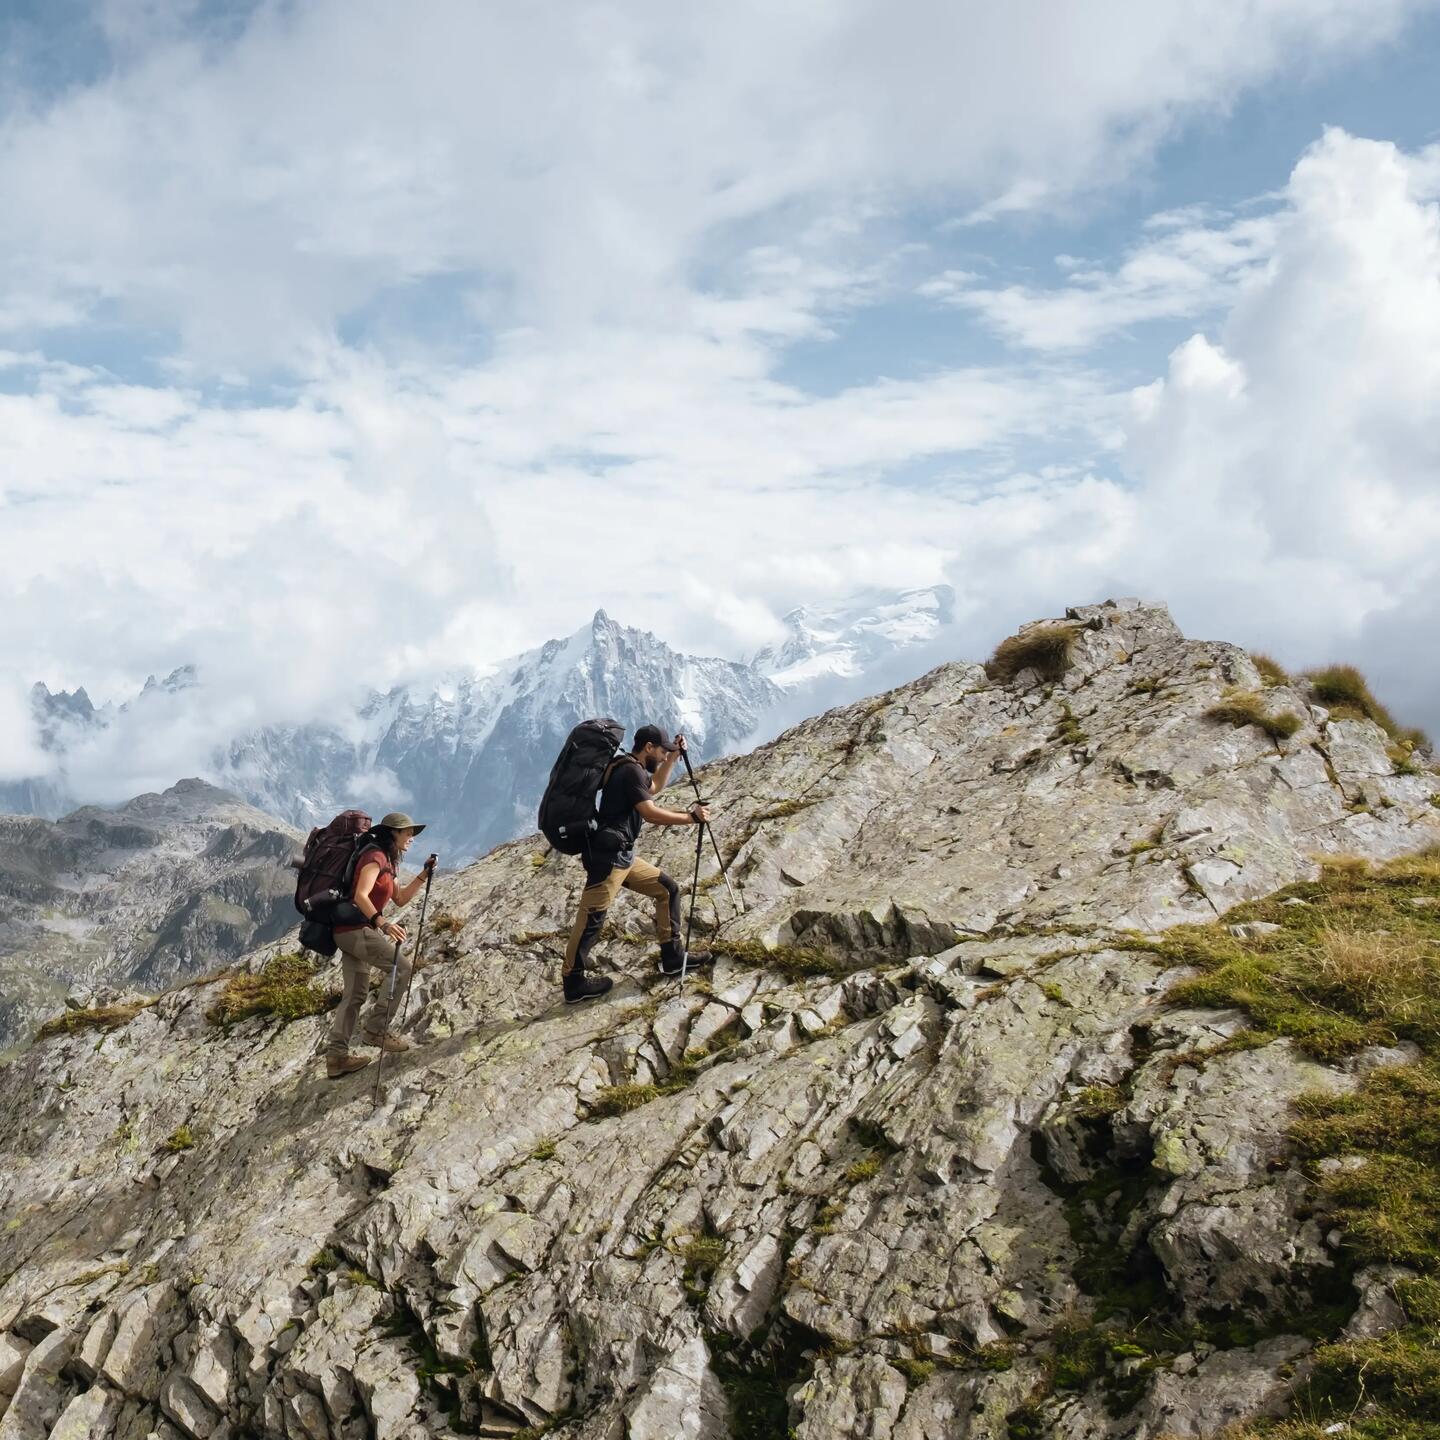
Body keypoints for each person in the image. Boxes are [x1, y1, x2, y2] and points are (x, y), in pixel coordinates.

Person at [562, 725, 712, 1004]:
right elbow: (650, 813)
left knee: (667, 890)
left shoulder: (633, 770)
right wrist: (690, 818)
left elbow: (651, 790)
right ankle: (573, 982)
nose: (663, 753)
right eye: (661, 750)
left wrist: (672, 759)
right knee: (591, 919)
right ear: (648, 747)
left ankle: (673, 957)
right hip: (608, 858)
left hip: (622, 856)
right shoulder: (630, 771)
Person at [324, 812, 438, 1079]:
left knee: (355, 994)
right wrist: (383, 923)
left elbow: (399, 898)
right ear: (393, 833)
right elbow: (360, 895)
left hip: (349, 931)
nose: (411, 838)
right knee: (401, 968)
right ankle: (376, 1030)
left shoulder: (389, 862)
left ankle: (336, 1058)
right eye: (407, 832)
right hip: (355, 929)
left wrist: (424, 874)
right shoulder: (374, 857)